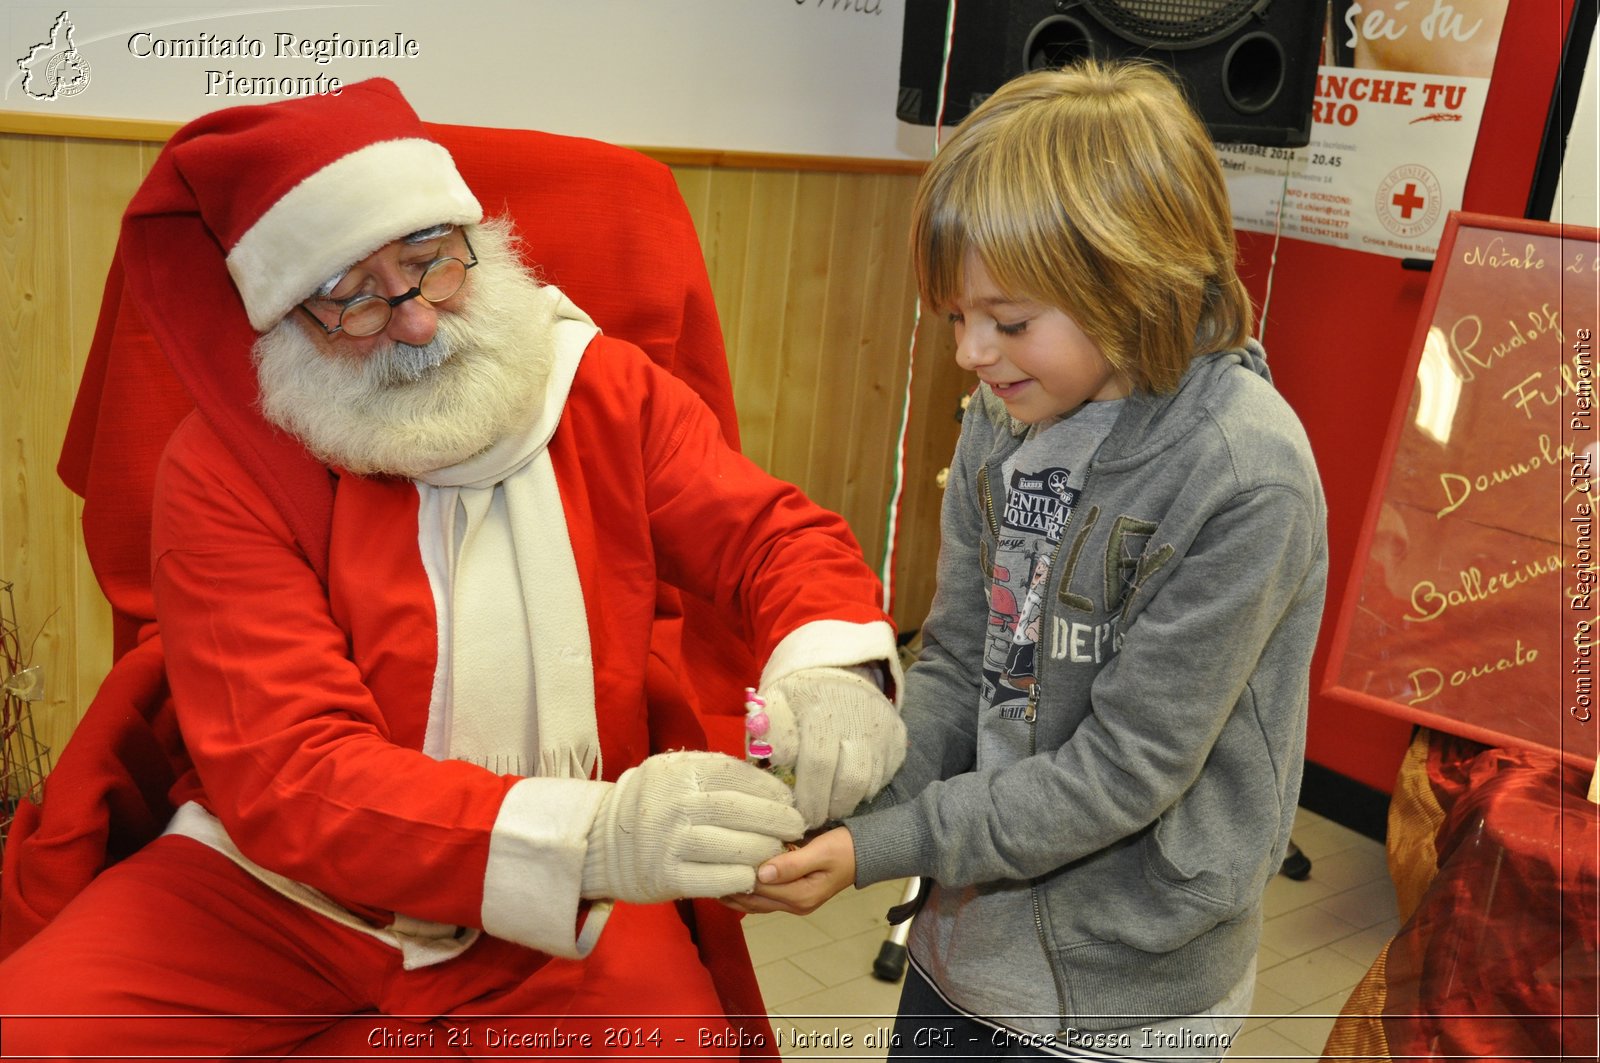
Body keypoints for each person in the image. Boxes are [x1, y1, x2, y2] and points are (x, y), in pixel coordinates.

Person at [0, 79, 906, 1056]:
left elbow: (771, 535)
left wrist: (830, 665)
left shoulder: (599, 389)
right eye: (352, 297)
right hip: (276, 893)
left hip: (562, 910)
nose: (420, 320)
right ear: (278, 320)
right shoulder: (224, 468)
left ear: (479, 237)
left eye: (433, 262)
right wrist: (602, 837)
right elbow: (295, 773)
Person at [730, 59, 1329, 1061]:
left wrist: (879, 845)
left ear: (1136, 279)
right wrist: (838, 807)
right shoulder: (1001, 420)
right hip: (965, 939)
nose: (971, 352)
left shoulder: (1244, 476)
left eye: (1007, 322)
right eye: (958, 317)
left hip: (1126, 987)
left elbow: (1122, 769)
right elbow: (961, 661)